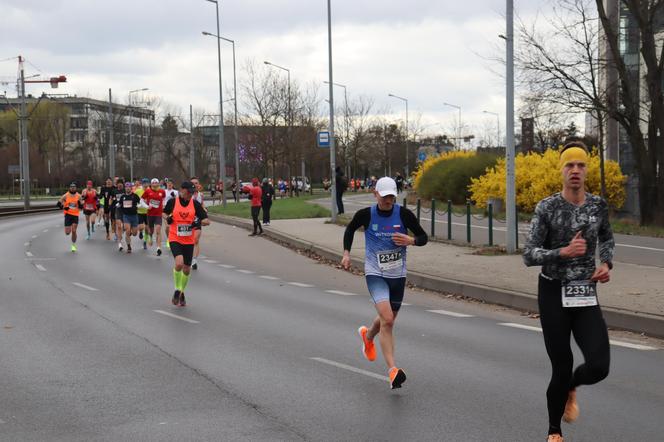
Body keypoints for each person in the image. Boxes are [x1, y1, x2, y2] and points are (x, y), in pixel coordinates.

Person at [523, 141, 614, 442]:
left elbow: (607, 238)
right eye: (569, 165)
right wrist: (562, 252)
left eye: (580, 165)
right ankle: (554, 431)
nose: (575, 170)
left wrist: (607, 263)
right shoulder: (547, 208)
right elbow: (528, 254)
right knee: (561, 366)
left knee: (600, 366)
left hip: (585, 292)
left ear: (586, 170)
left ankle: (572, 387)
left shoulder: (597, 205)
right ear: (561, 170)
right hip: (553, 293)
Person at [341, 177, 428, 389]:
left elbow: (424, 236)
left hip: (397, 275)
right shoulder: (366, 215)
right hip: (375, 273)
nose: (389, 200)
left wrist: (412, 241)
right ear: (376, 194)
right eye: (385, 195)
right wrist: (346, 254)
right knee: (388, 319)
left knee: (388, 318)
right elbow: (350, 229)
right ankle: (393, 371)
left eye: (392, 196)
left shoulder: (404, 214)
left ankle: (368, 336)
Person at [163, 181, 209, 307]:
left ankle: (182, 292)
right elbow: (164, 212)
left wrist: (197, 222)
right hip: (175, 237)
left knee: (187, 269)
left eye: (192, 192)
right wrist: (167, 218)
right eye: (188, 192)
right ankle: (177, 289)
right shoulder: (173, 202)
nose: (190, 195)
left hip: (188, 240)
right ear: (182, 190)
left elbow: (207, 220)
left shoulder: (195, 204)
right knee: (179, 263)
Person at [142, 178, 166, 256]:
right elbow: (141, 200)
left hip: (158, 214)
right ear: (151, 184)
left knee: (158, 230)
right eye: (153, 183)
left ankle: (158, 248)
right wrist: (146, 206)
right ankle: (150, 236)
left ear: (158, 184)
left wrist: (164, 205)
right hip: (150, 214)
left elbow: (164, 198)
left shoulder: (162, 191)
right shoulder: (148, 191)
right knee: (151, 231)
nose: (155, 184)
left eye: (156, 183)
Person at [57, 182, 83, 252]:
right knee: (67, 233)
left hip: (75, 215)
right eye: (71, 187)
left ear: (76, 188)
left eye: (74, 187)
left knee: (74, 231)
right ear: (69, 188)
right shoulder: (65, 195)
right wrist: (64, 207)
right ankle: (69, 230)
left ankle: (73, 245)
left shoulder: (79, 196)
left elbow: (82, 207)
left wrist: (79, 204)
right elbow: (58, 203)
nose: (72, 188)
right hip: (68, 215)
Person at [118, 181, 141, 253]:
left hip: (134, 216)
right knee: (127, 230)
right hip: (126, 216)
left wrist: (139, 206)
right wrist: (118, 205)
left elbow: (140, 202)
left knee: (134, 234)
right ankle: (129, 246)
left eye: (129, 187)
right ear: (125, 188)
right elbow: (119, 204)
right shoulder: (123, 197)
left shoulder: (135, 196)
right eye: (126, 187)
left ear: (131, 188)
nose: (127, 188)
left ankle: (131, 231)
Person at [190, 177, 207, 270]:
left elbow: (202, 204)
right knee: (187, 241)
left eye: (196, 183)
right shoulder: (187, 195)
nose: (195, 185)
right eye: (193, 183)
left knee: (196, 240)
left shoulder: (201, 195)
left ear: (198, 184)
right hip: (187, 221)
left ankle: (194, 261)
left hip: (197, 220)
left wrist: (204, 209)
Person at [163, 180, 179, 249]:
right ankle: (168, 239)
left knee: (173, 226)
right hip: (166, 211)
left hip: (173, 210)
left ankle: (174, 239)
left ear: (172, 185)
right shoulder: (164, 192)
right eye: (168, 183)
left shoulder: (175, 192)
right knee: (167, 227)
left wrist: (174, 196)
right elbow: (161, 199)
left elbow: (178, 200)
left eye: (171, 184)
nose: (169, 185)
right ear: (166, 184)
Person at [135, 178, 149, 249]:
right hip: (140, 212)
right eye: (144, 183)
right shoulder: (138, 191)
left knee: (147, 228)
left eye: (147, 183)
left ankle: (145, 242)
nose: (145, 184)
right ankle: (140, 232)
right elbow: (134, 198)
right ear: (142, 184)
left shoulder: (150, 191)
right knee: (141, 227)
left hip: (148, 212)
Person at [113, 180, 125, 246]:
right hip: (117, 209)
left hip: (125, 209)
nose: (120, 185)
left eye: (121, 184)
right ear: (117, 185)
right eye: (119, 184)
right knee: (119, 225)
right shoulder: (114, 191)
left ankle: (122, 230)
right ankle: (119, 239)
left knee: (124, 225)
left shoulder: (125, 191)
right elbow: (112, 199)